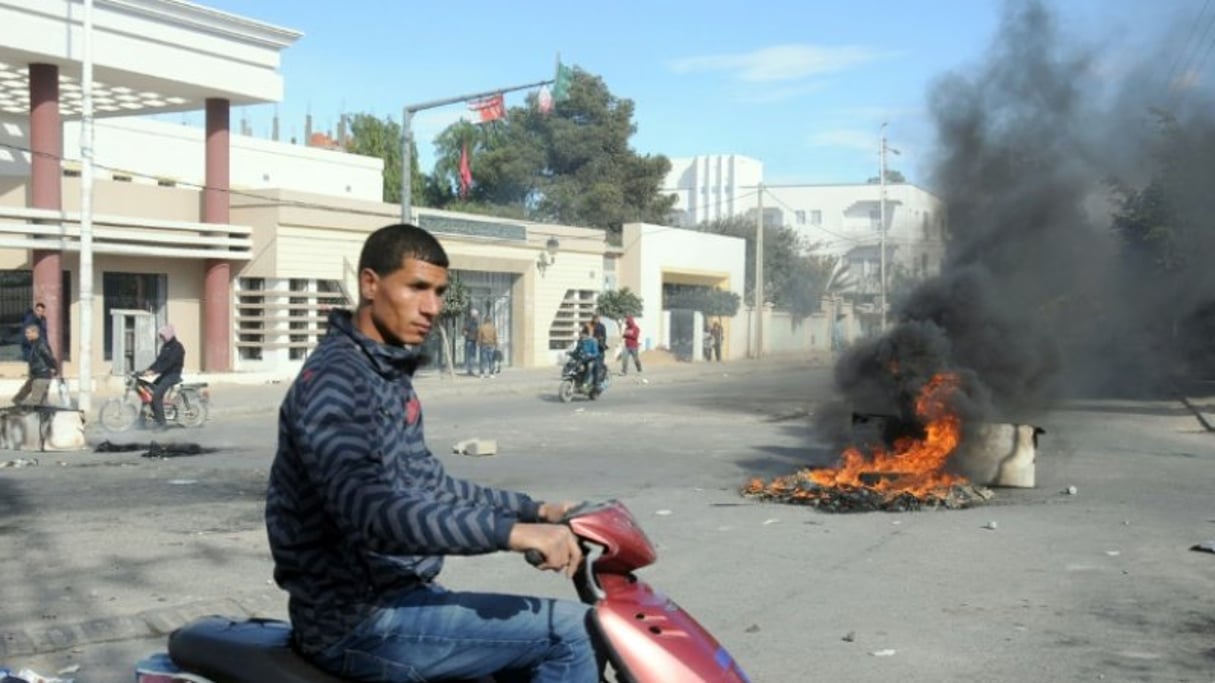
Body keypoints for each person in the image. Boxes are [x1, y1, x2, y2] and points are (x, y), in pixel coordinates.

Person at [266, 223, 598, 683]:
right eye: (417, 287)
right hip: (356, 622)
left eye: (439, 292)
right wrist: (511, 533)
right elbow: (372, 514)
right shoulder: (336, 381)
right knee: (574, 632)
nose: (432, 307)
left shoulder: (385, 374)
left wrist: (536, 510)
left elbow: (430, 484)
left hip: (399, 597)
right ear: (370, 284)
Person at [142, 325, 184, 431]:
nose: (161, 338)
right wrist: (147, 370)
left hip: (173, 375)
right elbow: (159, 361)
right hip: (165, 375)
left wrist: (154, 371)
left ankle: (162, 424)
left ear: (168, 335)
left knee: (156, 396)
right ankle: (144, 419)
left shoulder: (177, 347)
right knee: (147, 391)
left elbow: (169, 363)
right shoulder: (165, 346)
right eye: (161, 336)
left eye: (162, 336)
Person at [12, 323, 57, 406]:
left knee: (36, 401)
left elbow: (48, 357)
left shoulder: (41, 344)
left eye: (28, 333)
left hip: (42, 375)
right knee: (19, 397)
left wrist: (54, 368)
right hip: (35, 375)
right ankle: (16, 410)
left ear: (35, 332)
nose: (26, 335)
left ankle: (20, 414)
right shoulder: (34, 344)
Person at [463, 308, 480, 376]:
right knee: (471, 356)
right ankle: (470, 370)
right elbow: (465, 331)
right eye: (477, 314)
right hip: (470, 341)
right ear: (473, 315)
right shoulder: (470, 321)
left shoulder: (475, 322)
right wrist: (467, 337)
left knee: (472, 355)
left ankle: (470, 369)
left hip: (472, 340)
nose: (477, 316)